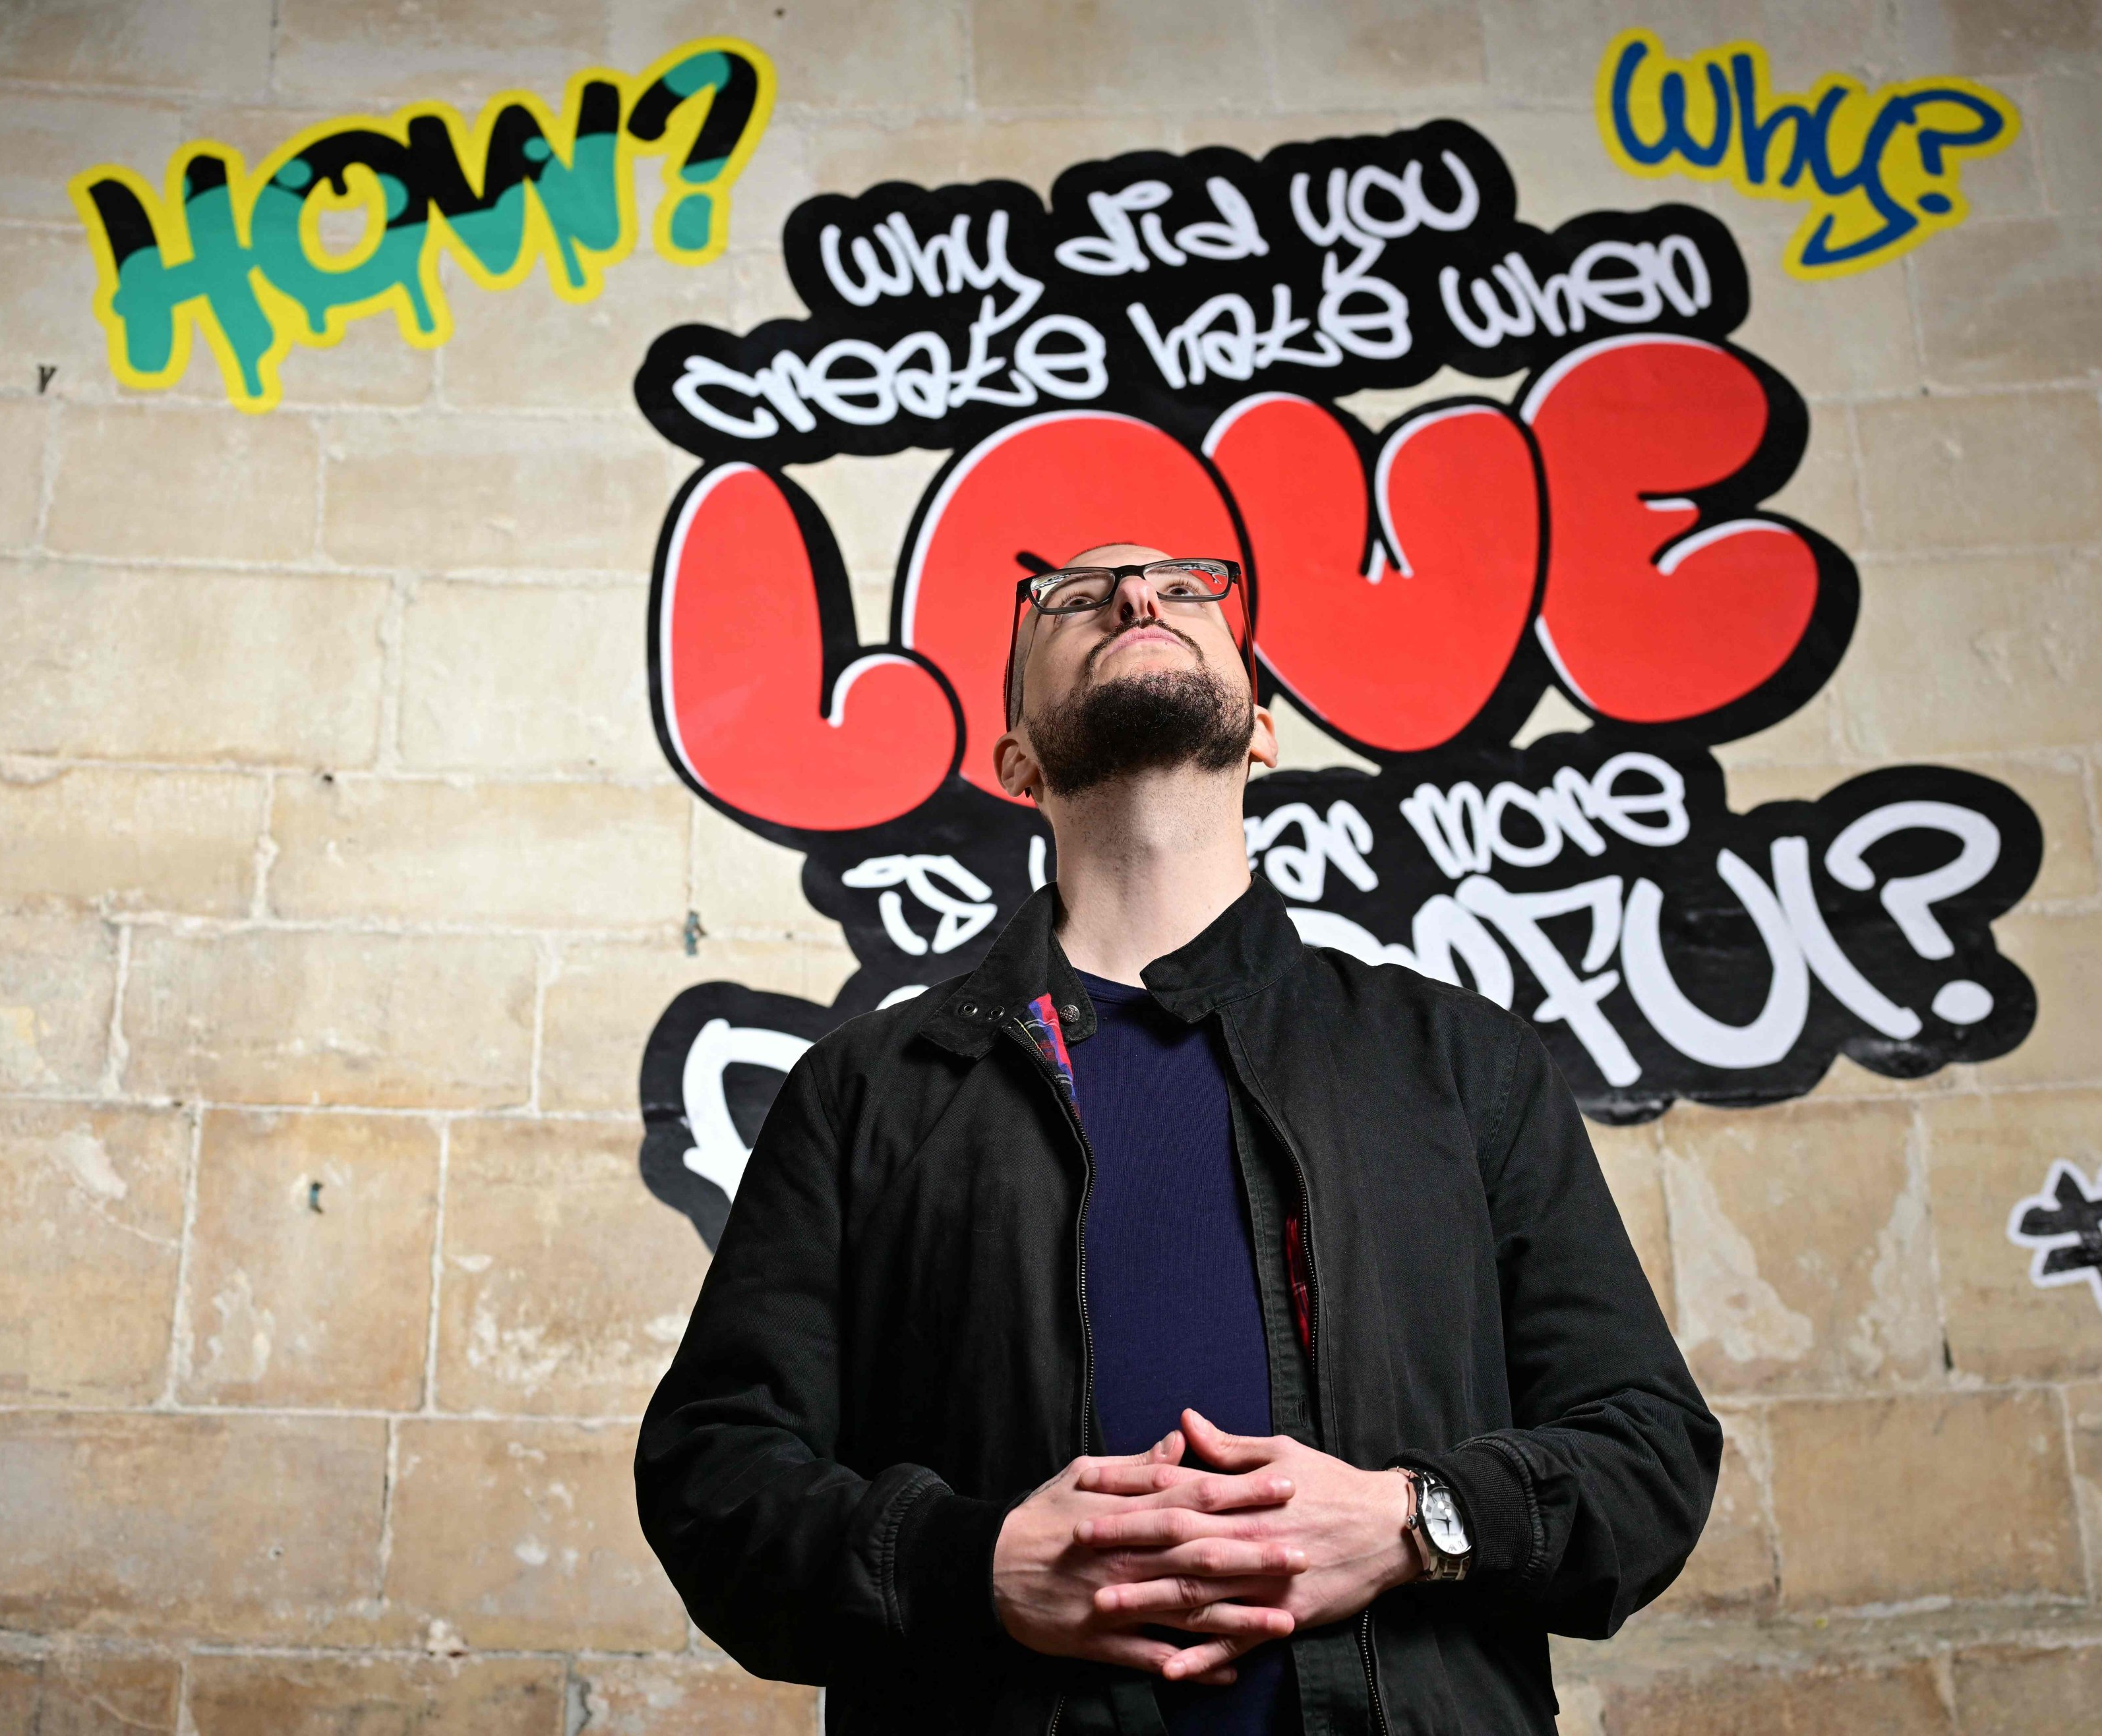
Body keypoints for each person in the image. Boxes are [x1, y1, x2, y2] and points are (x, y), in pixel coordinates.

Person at [635, 542, 1720, 1735]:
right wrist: (974, 1562)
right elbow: (713, 1475)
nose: (1139, 598)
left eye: (1186, 589)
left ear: (1261, 730)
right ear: (1017, 761)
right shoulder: (865, 1091)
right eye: (1074, 599)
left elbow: (1650, 1451)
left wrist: (1419, 1520)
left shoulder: (1466, 1064)